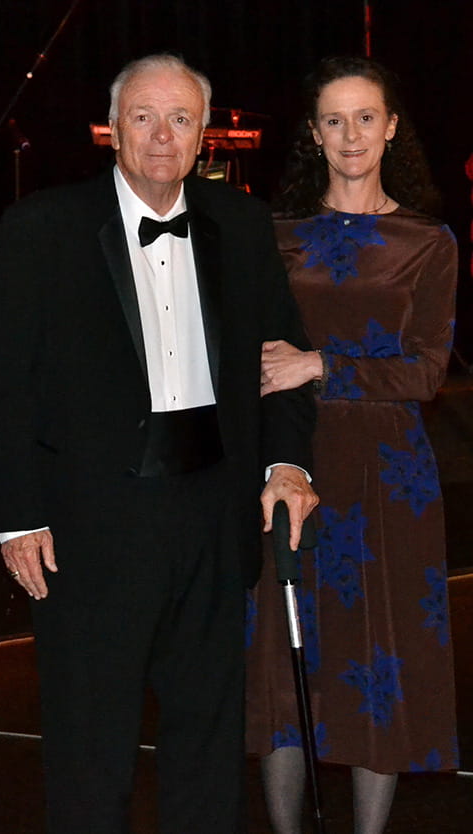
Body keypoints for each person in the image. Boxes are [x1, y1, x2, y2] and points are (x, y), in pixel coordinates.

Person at [0, 53, 318, 833]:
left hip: (213, 510)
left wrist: (288, 462)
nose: (162, 136)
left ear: (205, 134)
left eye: (180, 119)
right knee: (89, 744)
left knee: (207, 739)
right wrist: (18, 515)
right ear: (111, 130)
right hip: (91, 524)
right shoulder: (41, 227)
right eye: (143, 117)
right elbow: (9, 389)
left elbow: (284, 361)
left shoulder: (241, 223)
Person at [245, 56, 458, 834]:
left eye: (366, 117)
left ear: (392, 126)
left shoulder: (427, 241)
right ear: (313, 134)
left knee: (380, 655)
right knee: (282, 653)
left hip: (388, 472)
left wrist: (319, 364)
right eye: (333, 120)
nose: (351, 135)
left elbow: (428, 371)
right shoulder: (276, 238)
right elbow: (253, 351)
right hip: (290, 458)